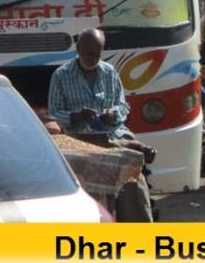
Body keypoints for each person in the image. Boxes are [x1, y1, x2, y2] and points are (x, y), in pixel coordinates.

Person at [48, 28, 153, 221]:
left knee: (133, 179)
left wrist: (113, 114)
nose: (92, 58)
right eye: (88, 53)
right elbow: (55, 112)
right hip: (80, 137)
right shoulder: (61, 75)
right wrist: (76, 116)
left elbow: (123, 105)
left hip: (114, 132)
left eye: (96, 54)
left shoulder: (109, 71)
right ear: (78, 49)